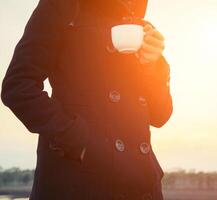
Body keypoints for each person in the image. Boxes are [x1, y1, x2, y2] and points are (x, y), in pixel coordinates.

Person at [1, 0, 173, 199]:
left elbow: (160, 115)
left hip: (141, 186)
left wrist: (153, 66)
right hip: (79, 181)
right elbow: (19, 87)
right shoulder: (62, 6)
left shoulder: (141, 29)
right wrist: (80, 142)